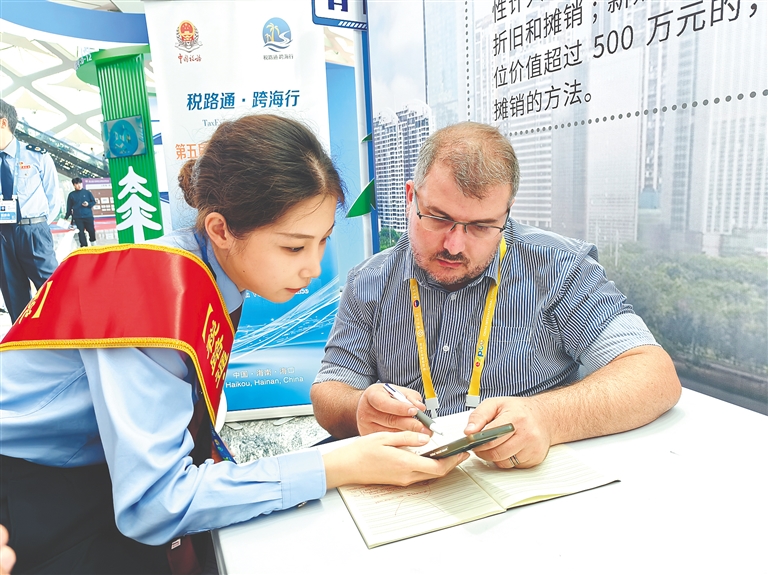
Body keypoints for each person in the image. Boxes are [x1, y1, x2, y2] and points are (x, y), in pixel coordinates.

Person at [0, 114, 466, 574]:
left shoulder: (206, 275)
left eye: (323, 241)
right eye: (294, 247)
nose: (313, 267)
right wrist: (334, 465)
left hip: (98, 463)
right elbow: (153, 504)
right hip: (32, 488)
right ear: (220, 229)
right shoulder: (155, 292)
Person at [311, 121, 682, 470]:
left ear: (506, 213)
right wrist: (360, 409)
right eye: (438, 217)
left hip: (518, 476)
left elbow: (653, 374)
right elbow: (330, 390)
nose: (454, 245)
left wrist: (548, 416)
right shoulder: (369, 281)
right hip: (406, 478)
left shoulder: (559, 268)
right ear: (411, 198)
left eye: (481, 226)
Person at [0, 99, 60, 323]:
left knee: (51, 288)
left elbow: (53, 198)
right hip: (2, 235)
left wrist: (38, 226)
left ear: (3, 123)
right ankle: (24, 340)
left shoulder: (37, 156)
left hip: (33, 231)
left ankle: (61, 334)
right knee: (13, 294)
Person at [66, 177, 97, 247]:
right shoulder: (71, 195)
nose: (79, 185)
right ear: (74, 185)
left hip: (88, 215)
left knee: (91, 230)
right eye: (77, 184)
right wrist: (66, 217)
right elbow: (69, 207)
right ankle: (84, 246)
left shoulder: (87, 193)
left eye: (80, 183)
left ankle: (93, 242)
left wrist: (88, 204)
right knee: (80, 232)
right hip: (78, 217)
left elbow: (93, 202)